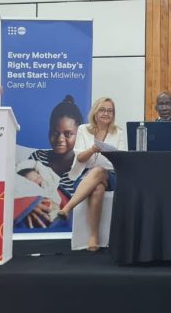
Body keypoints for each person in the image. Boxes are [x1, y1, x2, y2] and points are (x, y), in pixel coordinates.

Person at [56, 97, 126, 251]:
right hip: (85, 175)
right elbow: (80, 158)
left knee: (99, 170)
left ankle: (68, 207)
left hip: (111, 175)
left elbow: (122, 159)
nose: (106, 113)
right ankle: (94, 237)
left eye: (110, 111)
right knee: (97, 189)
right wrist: (92, 150)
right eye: (102, 110)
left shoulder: (118, 132)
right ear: (95, 112)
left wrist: (110, 154)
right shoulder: (83, 129)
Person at [23, 95, 84, 228]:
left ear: (79, 135)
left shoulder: (84, 165)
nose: (60, 139)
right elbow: (19, 188)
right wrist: (29, 205)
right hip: (36, 229)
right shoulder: (37, 158)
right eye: (55, 133)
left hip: (72, 230)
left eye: (68, 134)